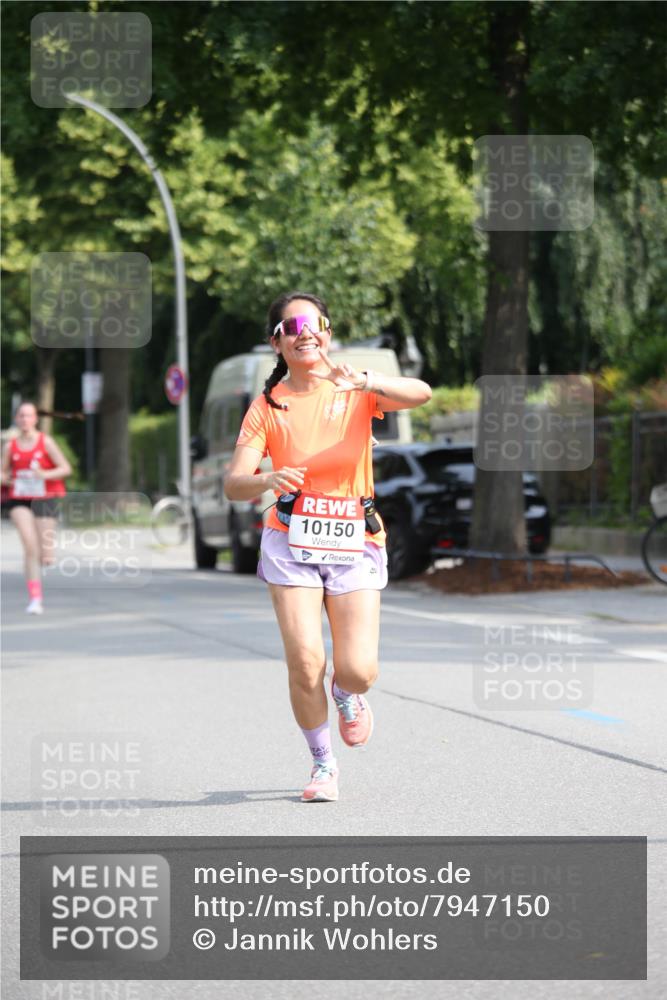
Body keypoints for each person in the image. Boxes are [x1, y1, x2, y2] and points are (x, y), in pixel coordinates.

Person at [224, 291, 431, 802]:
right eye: (293, 326)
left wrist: (367, 381)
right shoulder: (267, 406)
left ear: (328, 332)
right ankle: (322, 765)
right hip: (288, 538)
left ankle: (346, 695)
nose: (306, 333)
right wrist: (268, 477)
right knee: (304, 662)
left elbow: (422, 392)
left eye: (316, 324)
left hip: (354, 537)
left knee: (358, 669)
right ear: (277, 342)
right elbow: (234, 484)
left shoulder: (356, 390)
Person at [1, 401, 72, 614]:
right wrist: (9, 479)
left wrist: (44, 474)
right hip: (19, 499)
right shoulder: (9, 446)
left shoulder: (46, 442)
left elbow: (66, 468)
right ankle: (35, 598)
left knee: (45, 554)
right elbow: (2, 473)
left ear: (35, 419)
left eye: (28, 415)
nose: (24, 419)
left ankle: (46, 552)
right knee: (29, 546)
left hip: (44, 499)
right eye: (21, 416)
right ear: (16, 419)